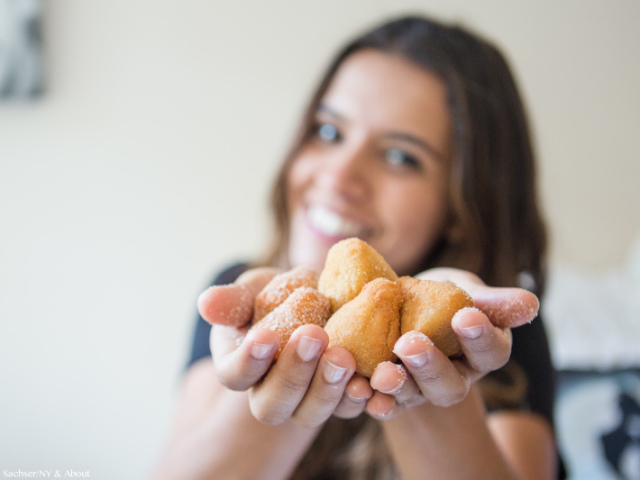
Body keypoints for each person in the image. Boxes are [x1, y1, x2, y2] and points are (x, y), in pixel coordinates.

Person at [152, 14, 563, 480]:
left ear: (462, 206)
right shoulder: (238, 295)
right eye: (329, 132)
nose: (338, 177)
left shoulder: (489, 332)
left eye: (400, 156)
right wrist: (278, 348)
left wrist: (425, 357)